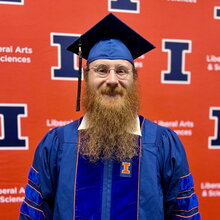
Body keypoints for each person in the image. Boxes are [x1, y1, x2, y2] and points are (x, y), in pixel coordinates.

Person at [19, 13, 200, 220]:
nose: (112, 80)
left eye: (122, 71)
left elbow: (184, 214)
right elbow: (34, 215)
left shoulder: (162, 143)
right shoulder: (56, 144)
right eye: (102, 70)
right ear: (86, 77)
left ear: (134, 78)